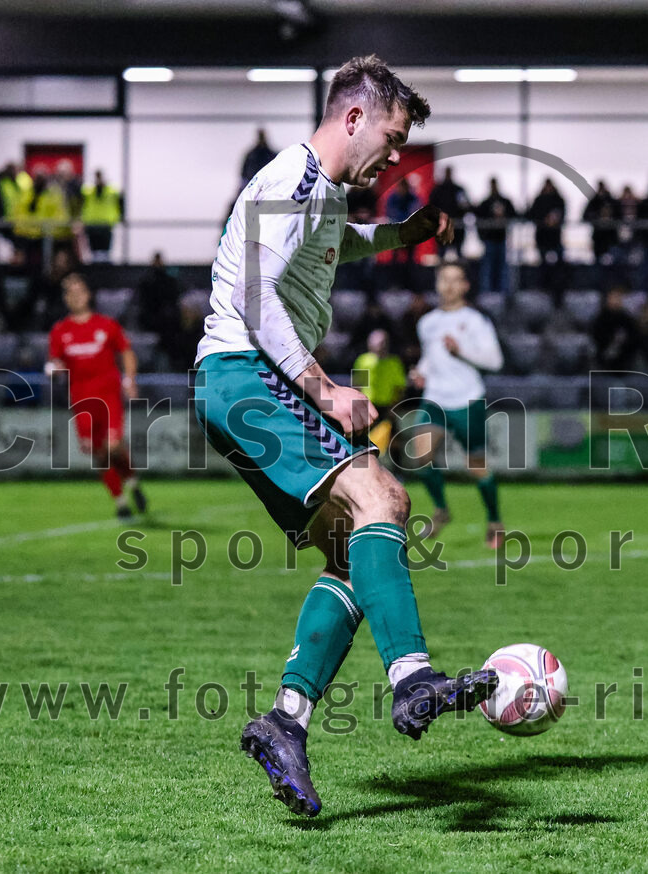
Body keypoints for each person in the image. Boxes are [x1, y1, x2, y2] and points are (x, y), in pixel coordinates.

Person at [192, 55, 498, 819]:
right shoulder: (292, 179)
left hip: (236, 384)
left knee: (353, 552)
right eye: (392, 138)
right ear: (353, 117)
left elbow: (340, 244)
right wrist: (322, 385)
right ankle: (412, 678)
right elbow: (254, 293)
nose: (396, 156)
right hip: (245, 372)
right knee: (383, 496)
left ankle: (287, 722)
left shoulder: (321, 196)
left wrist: (403, 232)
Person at [405, 262, 504, 548]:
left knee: (477, 467)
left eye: (455, 280)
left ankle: (495, 521)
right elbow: (431, 356)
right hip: (435, 398)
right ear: (437, 284)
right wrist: (421, 372)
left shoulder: (475, 320)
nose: (448, 286)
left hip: (466, 399)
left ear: (465, 286)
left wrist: (461, 351)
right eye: (443, 280)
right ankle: (441, 510)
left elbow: (495, 362)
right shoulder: (427, 322)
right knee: (421, 455)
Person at [47, 273, 147, 520]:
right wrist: (53, 370)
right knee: (98, 453)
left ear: (88, 294)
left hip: (108, 397)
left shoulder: (106, 325)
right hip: (81, 400)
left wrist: (129, 379)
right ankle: (122, 502)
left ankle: (132, 481)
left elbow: (126, 351)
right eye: (70, 292)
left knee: (113, 446)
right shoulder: (61, 331)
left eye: (79, 290)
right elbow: (55, 363)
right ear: (65, 298)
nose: (76, 296)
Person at [352, 328, 407, 453]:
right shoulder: (363, 360)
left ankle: (398, 470)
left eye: (382, 342)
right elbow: (358, 385)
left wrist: (394, 407)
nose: (379, 345)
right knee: (362, 439)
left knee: (394, 439)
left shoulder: (394, 362)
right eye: (376, 342)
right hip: (368, 406)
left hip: (388, 407)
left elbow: (399, 388)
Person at [474, 177, 516, 294]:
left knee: (501, 267)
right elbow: (478, 217)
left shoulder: (504, 201)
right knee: (489, 267)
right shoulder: (485, 203)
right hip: (489, 240)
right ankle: (487, 291)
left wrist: (504, 217)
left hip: (501, 239)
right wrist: (482, 236)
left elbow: (514, 213)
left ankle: (501, 291)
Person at [528, 178, 567, 293]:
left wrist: (555, 220)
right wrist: (543, 220)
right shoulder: (539, 200)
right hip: (542, 239)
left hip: (555, 239)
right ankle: (544, 287)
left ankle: (558, 290)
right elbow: (531, 214)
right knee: (543, 266)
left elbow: (563, 214)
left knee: (558, 267)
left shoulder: (558, 200)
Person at [591, 286, 641, 370]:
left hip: (625, 356)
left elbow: (634, 337)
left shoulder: (627, 318)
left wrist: (622, 343)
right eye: (613, 297)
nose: (616, 301)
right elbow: (597, 337)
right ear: (607, 299)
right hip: (603, 355)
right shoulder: (600, 318)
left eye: (618, 297)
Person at [428, 166, 471, 258]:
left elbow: (466, 206)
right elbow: (431, 207)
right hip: (442, 227)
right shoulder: (438, 191)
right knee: (441, 255)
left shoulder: (458, 190)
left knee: (459, 255)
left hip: (457, 227)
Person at [80, 170, 122, 262]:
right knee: (93, 253)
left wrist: (119, 218)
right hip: (91, 224)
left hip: (106, 225)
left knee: (105, 253)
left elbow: (120, 201)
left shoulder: (112, 191)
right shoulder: (88, 191)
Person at [582, 180, 620, 265]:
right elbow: (585, 216)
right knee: (598, 264)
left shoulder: (612, 201)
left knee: (613, 263)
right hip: (598, 238)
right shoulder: (594, 202)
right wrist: (597, 217)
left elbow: (619, 215)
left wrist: (610, 217)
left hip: (611, 238)